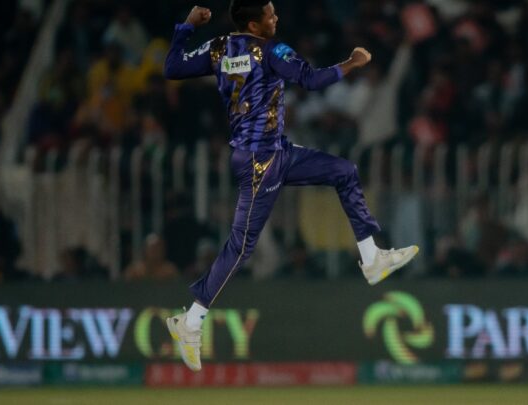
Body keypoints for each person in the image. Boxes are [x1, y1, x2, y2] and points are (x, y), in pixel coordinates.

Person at [162, 1, 419, 372]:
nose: (276, 17)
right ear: (254, 23)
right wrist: (351, 63)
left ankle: (372, 257)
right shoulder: (271, 51)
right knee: (242, 245)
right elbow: (311, 80)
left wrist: (186, 25)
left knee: (343, 171)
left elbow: (172, 68)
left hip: (274, 152)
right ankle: (190, 321)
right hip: (261, 161)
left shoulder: (218, 48)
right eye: (270, 14)